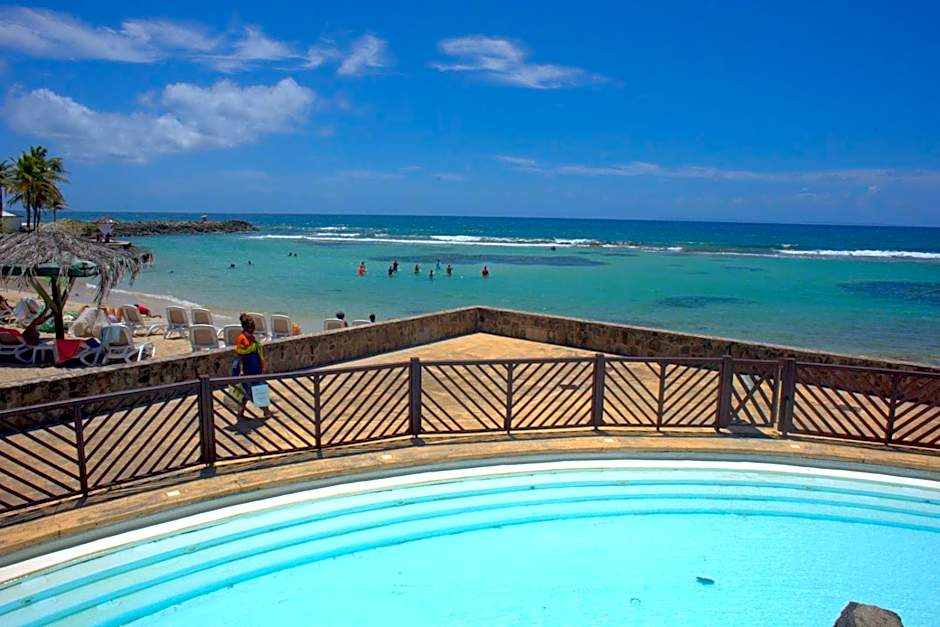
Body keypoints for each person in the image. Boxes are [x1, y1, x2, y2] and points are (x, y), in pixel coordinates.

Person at [235, 313, 273, 420]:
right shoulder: (242, 338)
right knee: (249, 391)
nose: (252, 329)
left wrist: (262, 365)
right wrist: (241, 370)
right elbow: (240, 355)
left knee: (259, 388)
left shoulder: (252, 338)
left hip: (255, 367)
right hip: (246, 368)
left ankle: (264, 411)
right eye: (250, 327)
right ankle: (266, 411)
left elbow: (258, 353)